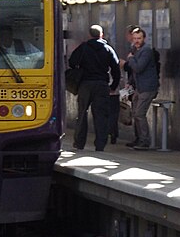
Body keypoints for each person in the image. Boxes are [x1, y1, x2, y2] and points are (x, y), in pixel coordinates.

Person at [67, 24, 120, 152]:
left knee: (82, 113)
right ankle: (100, 145)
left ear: (89, 35)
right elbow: (116, 68)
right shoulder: (108, 49)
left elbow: (72, 62)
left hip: (85, 84)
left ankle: (79, 143)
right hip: (102, 85)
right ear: (101, 35)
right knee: (101, 115)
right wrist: (113, 86)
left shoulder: (83, 48)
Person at [123, 27, 159, 150]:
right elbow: (135, 72)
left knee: (139, 113)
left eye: (139, 38)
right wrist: (130, 82)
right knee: (135, 113)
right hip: (139, 86)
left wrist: (130, 59)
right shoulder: (135, 50)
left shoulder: (146, 51)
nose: (137, 41)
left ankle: (144, 140)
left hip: (147, 87)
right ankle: (138, 138)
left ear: (144, 38)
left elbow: (138, 68)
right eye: (135, 39)